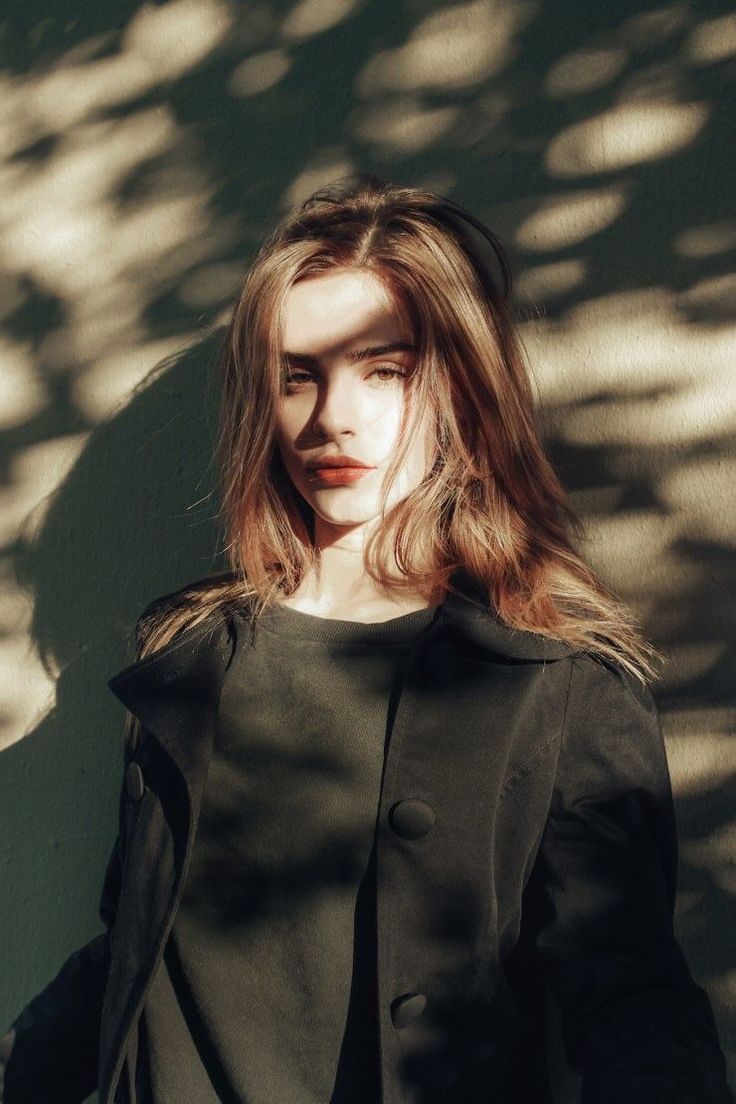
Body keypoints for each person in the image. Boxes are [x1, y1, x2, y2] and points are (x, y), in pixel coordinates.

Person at [1, 172, 732, 1104]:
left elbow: (627, 993)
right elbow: (134, 957)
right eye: (297, 375)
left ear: (463, 386)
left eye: (383, 370)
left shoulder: (557, 682)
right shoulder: (190, 655)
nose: (330, 417)